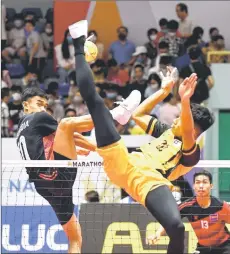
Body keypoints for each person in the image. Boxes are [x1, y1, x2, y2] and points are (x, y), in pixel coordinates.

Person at [68, 20, 214, 254]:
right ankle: (76, 43)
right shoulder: (165, 132)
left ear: (195, 129)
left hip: (149, 181)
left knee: (176, 227)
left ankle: (118, 115)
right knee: (95, 104)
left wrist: (185, 100)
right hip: (123, 162)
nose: (175, 119)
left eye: (181, 117)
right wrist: (163, 91)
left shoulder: (190, 152)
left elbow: (186, 128)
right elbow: (139, 114)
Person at [16, 83, 136, 253]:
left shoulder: (21, 130)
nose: (43, 108)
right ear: (26, 104)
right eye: (38, 103)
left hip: (43, 186)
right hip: (55, 176)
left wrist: (82, 148)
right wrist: (100, 149)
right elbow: (69, 130)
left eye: (45, 105)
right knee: (67, 122)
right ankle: (116, 114)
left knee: (75, 238)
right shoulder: (37, 118)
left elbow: (57, 141)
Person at [147, 170, 230, 254]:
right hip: (203, 248)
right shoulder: (187, 206)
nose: (201, 186)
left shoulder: (220, 206)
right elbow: (170, 219)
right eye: (197, 182)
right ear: (194, 186)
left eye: (205, 182)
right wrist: (158, 233)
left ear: (211, 186)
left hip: (224, 247)